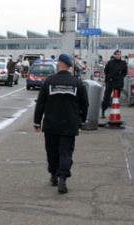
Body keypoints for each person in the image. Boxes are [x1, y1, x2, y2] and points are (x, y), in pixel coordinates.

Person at [33, 54, 89, 194]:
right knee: (66, 152)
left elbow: (41, 103)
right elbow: (85, 104)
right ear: (69, 66)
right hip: (69, 124)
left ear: (59, 64)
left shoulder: (49, 82)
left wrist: (37, 121)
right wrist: (82, 120)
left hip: (51, 124)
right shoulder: (77, 83)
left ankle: (53, 175)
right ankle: (63, 177)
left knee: (52, 151)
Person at [102, 50, 128, 118]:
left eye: (119, 54)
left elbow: (125, 72)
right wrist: (109, 77)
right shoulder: (110, 62)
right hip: (110, 82)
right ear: (114, 55)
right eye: (117, 54)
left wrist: (120, 77)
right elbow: (106, 71)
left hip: (118, 82)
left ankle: (115, 112)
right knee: (106, 97)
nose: (118, 55)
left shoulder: (123, 63)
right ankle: (103, 111)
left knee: (116, 98)